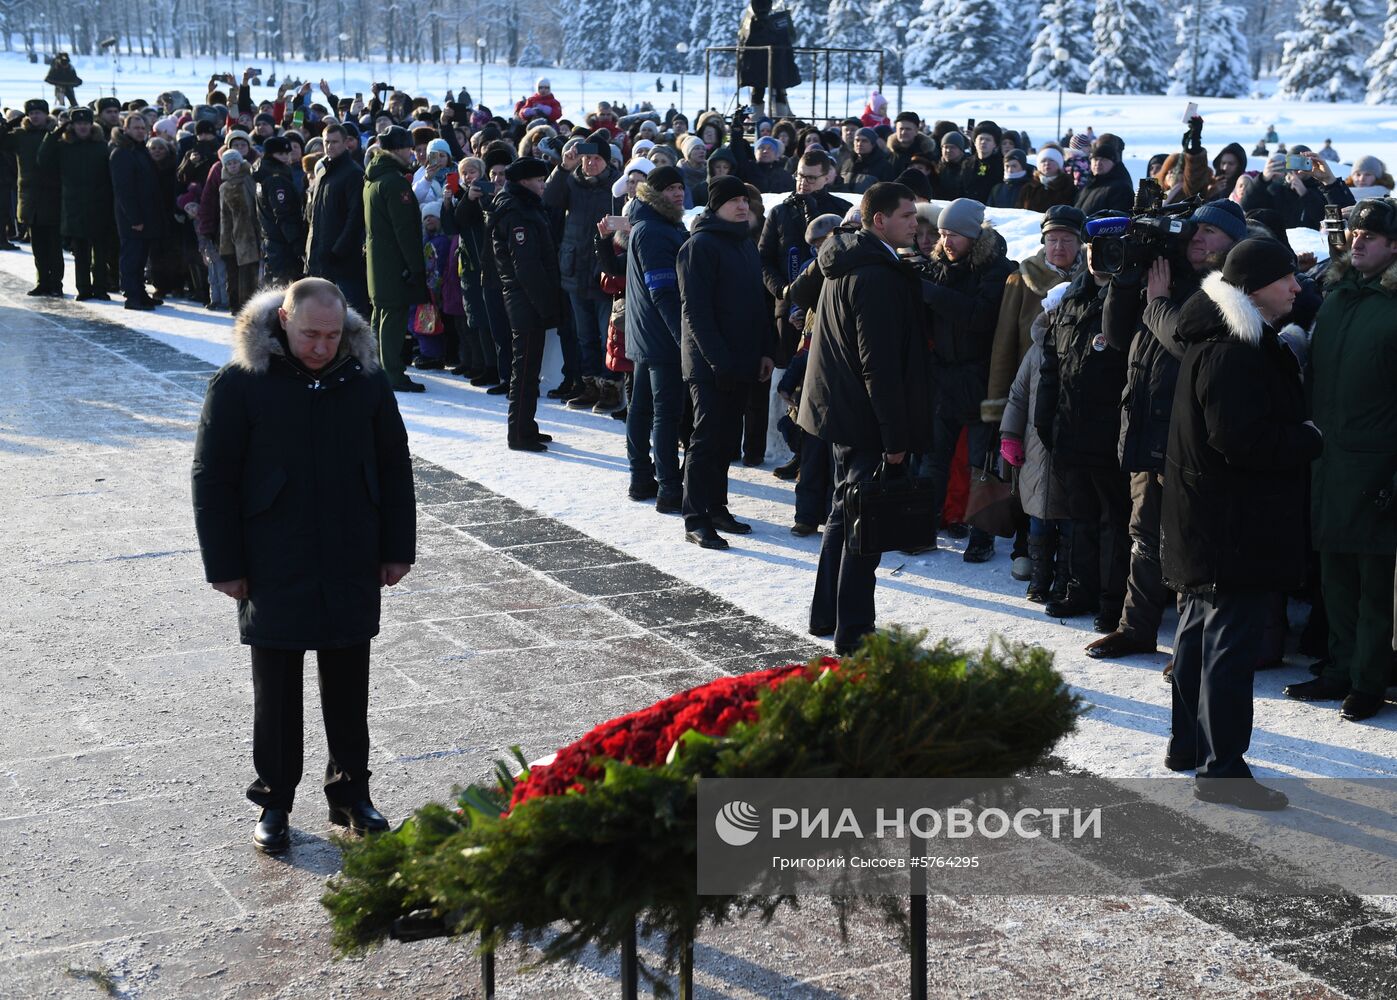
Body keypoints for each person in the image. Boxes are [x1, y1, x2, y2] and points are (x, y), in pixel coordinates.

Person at [191, 278, 416, 853]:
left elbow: (394, 468)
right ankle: (274, 801)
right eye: (310, 334)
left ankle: (351, 793)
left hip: (349, 552)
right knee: (277, 693)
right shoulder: (241, 383)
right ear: (283, 320)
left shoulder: (366, 380)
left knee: (349, 686)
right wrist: (224, 563)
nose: (320, 346)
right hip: (273, 557)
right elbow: (212, 479)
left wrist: (396, 548)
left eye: (332, 335)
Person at [1162, 240, 1319, 810]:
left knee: (1199, 635)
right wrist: (1308, 437)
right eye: (1286, 279)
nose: (1297, 288)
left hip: (1209, 519)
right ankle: (1222, 769)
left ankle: (1190, 747)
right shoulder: (1235, 350)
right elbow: (1241, 440)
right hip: (1233, 525)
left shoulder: (1219, 337)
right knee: (1226, 647)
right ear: (1253, 286)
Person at [1091, 199, 1246, 662]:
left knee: (1186, 546)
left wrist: (1157, 300)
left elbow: (1186, 343)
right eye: (1194, 230)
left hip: (1188, 439)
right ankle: (1134, 628)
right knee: (1143, 534)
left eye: (1212, 233)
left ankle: (1188, 645)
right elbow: (1118, 336)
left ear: (1233, 243)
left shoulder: (1229, 289)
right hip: (1147, 429)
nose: (1198, 238)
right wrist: (1126, 280)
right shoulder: (1168, 277)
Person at [799, 182, 930, 653]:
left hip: (839, 408)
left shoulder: (846, 255)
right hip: (863, 416)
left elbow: (801, 293)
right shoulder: (874, 275)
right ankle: (854, 631)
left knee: (843, 511)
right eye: (907, 216)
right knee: (863, 523)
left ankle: (827, 614)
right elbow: (879, 364)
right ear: (879, 221)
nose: (916, 223)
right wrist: (895, 437)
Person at [1286, 198, 1397, 722]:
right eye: (1354, 232)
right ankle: (1338, 667)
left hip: (1376, 467)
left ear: (1394, 247)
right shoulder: (1335, 297)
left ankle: (1369, 681)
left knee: (1374, 585)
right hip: (1329, 461)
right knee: (1334, 577)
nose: (1357, 240)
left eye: (1369, 236)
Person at [676, 174, 776, 550]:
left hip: (744, 359)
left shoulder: (745, 245)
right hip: (710, 364)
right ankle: (696, 517)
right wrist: (719, 362)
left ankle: (717, 507)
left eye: (745, 201)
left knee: (726, 440)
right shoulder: (698, 246)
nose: (742, 206)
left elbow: (758, 304)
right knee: (705, 439)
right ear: (715, 206)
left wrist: (767, 350)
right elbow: (696, 312)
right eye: (733, 201)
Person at [1034, 250, 1130, 629]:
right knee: (1081, 518)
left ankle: (1112, 601)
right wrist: (1046, 419)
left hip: (1110, 435)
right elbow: (1051, 364)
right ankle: (1080, 588)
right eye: (1092, 247)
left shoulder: (1130, 297)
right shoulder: (1072, 297)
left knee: (1114, 522)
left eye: (1106, 247)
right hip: (1070, 430)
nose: (1096, 256)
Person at [918, 198, 1015, 561]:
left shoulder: (996, 269)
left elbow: (978, 317)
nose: (945, 242)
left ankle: (982, 536)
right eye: (942, 234)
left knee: (982, 464)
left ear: (974, 236)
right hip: (943, 378)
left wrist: (932, 294)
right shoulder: (936, 267)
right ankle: (924, 526)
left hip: (982, 380)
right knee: (934, 460)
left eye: (953, 235)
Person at [624, 165, 689, 513]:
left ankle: (641, 478)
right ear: (655, 193)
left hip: (645, 332)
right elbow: (662, 291)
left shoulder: (653, 224)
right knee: (664, 414)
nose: (678, 193)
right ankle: (667, 487)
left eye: (680, 187)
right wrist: (684, 339)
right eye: (670, 188)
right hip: (661, 336)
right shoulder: (655, 230)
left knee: (643, 408)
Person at [545, 130, 623, 412]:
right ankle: (588, 385)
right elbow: (550, 199)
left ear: (607, 161)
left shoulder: (616, 186)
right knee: (584, 335)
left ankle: (610, 388)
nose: (590, 163)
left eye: (596, 158)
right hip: (575, 268)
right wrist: (563, 167)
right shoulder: (572, 181)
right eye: (587, 158)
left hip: (603, 273)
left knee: (607, 336)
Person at [489, 157, 562, 452]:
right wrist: (547, 306)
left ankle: (526, 425)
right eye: (538, 180)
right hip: (525, 299)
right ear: (523, 182)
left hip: (525, 297)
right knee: (525, 369)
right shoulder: (517, 212)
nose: (543, 185)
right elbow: (527, 266)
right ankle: (519, 432)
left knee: (529, 369)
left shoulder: (524, 206)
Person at [364, 125, 428, 392]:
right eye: (408, 148)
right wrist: (415, 267)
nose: (411, 153)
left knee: (381, 315)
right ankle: (391, 373)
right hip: (393, 263)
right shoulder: (394, 182)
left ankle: (378, 368)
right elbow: (406, 231)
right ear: (399, 149)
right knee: (393, 317)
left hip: (379, 261)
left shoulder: (373, 178)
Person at [36, 107, 113, 301]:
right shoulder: (64, 146)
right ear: (72, 126)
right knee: (81, 253)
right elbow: (42, 158)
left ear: (91, 125)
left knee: (100, 252)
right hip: (74, 205)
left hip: (99, 204)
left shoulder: (101, 146)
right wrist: (56, 133)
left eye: (86, 123)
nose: (83, 127)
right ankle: (84, 289)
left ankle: (101, 288)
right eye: (79, 124)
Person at [305, 123, 369, 316]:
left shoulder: (353, 173)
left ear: (346, 143)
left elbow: (355, 217)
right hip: (320, 257)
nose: (330, 146)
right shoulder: (323, 170)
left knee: (350, 316)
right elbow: (315, 215)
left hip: (343, 262)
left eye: (335, 142)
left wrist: (338, 250)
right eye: (326, 142)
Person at [0, 99, 62, 296]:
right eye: (32, 113)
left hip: (53, 195)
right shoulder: (20, 135)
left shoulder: (55, 134)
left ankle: (56, 283)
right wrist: (6, 125)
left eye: (39, 112)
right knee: (38, 246)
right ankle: (42, 281)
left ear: (46, 115)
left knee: (54, 245)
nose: (35, 116)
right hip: (29, 196)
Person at [109, 111, 165, 309]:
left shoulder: (140, 150)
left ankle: (140, 293)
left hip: (146, 215)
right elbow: (124, 190)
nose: (141, 132)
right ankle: (132, 296)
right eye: (136, 128)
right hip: (133, 218)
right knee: (131, 258)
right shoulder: (122, 153)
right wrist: (134, 218)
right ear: (126, 129)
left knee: (141, 258)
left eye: (143, 128)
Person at [254, 135, 304, 285]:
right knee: (284, 290)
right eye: (281, 154)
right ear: (270, 155)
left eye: (287, 153)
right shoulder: (276, 179)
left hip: (273, 241)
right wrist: (297, 243)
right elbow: (283, 214)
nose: (286, 157)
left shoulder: (265, 174)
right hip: (282, 244)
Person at [739, 0, 800, 118]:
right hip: (771, 60)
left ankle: (772, 120)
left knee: (764, 91)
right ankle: (768, 120)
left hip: (769, 60)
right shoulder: (760, 17)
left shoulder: (762, 16)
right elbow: (791, 36)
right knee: (767, 91)